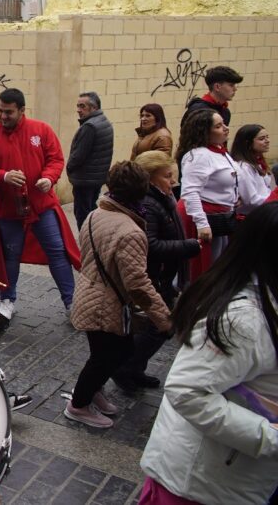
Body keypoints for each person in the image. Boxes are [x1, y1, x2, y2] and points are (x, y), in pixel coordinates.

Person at [138, 203, 278, 505]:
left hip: (234, 475)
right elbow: (187, 391)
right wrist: (268, 436)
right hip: (199, 483)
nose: (172, 181)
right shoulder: (242, 319)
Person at [66, 161, 172, 428]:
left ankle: (93, 391)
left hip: (89, 293)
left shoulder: (96, 213)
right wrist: (162, 317)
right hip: (104, 304)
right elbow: (137, 283)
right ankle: (78, 405)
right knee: (106, 358)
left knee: (116, 351)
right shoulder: (130, 231)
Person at [0, 88, 80, 319]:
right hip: (8, 210)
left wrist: (49, 178)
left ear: (22, 110)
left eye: (8, 112)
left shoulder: (42, 130)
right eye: (0, 111)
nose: (3, 116)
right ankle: (7, 300)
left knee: (57, 251)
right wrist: (3, 176)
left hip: (42, 206)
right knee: (10, 256)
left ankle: (71, 303)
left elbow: (55, 159)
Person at [112, 151, 201, 393]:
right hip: (153, 276)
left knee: (159, 327)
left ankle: (134, 368)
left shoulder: (162, 198)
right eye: (167, 176)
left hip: (161, 276)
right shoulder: (150, 204)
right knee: (159, 327)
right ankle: (125, 368)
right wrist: (188, 246)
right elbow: (151, 245)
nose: (173, 182)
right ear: (150, 178)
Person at [176, 110, 239, 276]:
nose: (225, 128)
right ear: (204, 132)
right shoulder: (198, 156)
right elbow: (190, 191)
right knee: (203, 267)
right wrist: (202, 223)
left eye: (224, 124)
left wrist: (234, 197)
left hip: (220, 216)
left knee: (219, 264)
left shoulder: (219, 151)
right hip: (202, 216)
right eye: (218, 126)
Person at [66, 91, 115, 230]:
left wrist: (69, 167)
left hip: (85, 180)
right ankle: (95, 237)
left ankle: (87, 239)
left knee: (83, 215)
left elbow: (78, 156)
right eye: (78, 106)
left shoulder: (89, 127)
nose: (78, 110)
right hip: (96, 179)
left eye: (82, 106)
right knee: (91, 210)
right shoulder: (104, 121)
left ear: (93, 108)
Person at [230, 124, 275, 215]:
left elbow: (267, 190)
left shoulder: (258, 162)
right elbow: (251, 200)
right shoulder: (244, 167)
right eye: (262, 139)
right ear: (248, 143)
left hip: (265, 211)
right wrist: (274, 201)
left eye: (267, 137)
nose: (267, 141)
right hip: (253, 216)